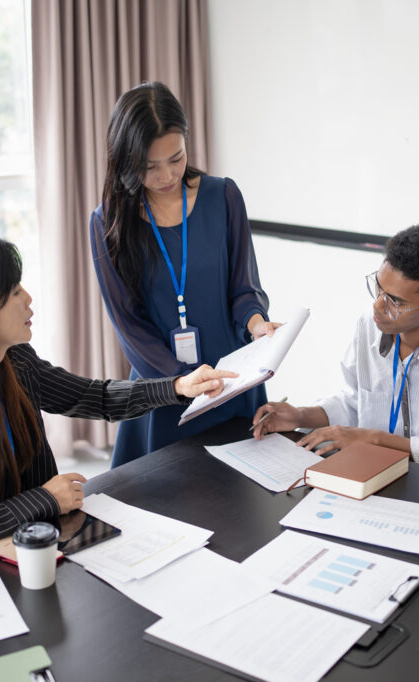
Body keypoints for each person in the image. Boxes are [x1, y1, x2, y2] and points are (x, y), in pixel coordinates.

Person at [0, 235, 235, 562]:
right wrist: (43, 500)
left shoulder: (14, 360)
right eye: (14, 291)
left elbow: (96, 397)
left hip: (34, 546)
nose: (28, 299)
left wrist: (178, 386)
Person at [90, 81, 279, 467]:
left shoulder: (223, 196)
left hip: (231, 379)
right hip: (163, 389)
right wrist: (179, 381)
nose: (166, 175)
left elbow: (243, 287)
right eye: (149, 166)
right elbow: (129, 325)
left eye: (176, 158)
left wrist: (256, 322)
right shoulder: (108, 222)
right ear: (126, 160)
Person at [252, 225, 419, 477]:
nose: (377, 306)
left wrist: (376, 440)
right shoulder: (368, 325)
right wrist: (300, 416)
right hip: (368, 473)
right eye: (379, 287)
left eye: (395, 302)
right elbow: (355, 402)